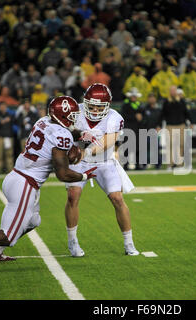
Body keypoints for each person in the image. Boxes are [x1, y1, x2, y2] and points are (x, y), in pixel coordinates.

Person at [0, 96, 97, 266]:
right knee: (9, 236)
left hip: (17, 176)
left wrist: (81, 135)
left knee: (33, 221)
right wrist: (83, 175)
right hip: (25, 184)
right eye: (72, 115)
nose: (74, 119)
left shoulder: (43, 121)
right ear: (62, 115)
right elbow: (62, 174)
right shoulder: (61, 136)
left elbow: (63, 134)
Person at [64, 83, 139, 257]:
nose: (95, 109)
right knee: (72, 195)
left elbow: (109, 141)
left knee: (117, 198)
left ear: (108, 105)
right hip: (78, 160)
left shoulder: (114, 117)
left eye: (99, 106)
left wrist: (86, 151)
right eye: (91, 105)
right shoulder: (76, 111)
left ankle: (129, 242)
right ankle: (72, 241)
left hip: (103, 160)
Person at [160, 85, 191, 168]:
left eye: (174, 91)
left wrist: (191, 123)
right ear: (170, 92)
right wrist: (159, 125)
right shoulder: (166, 102)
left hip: (180, 125)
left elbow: (186, 112)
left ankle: (179, 163)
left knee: (180, 145)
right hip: (170, 125)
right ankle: (170, 164)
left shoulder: (181, 101)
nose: (173, 92)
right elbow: (162, 114)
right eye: (171, 91)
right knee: (170, 145)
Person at [120, 87, 143, 170]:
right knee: (127, 146)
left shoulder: (139, 104)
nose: (134, 97)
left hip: (137, 128)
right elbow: (123, 116)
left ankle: (137, 164)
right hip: (128, 127)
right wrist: (135, 117)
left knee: (137, 147)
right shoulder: (126, 104)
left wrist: (141, 118)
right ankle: (126, 164)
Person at [0, 102, 14, 174]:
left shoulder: (10, 115)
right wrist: (2, 122)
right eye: (1, 106)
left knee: (9, 154)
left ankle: (10, 169)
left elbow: (15, 123)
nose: (3, 108)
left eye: (4, 106)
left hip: (8, 137)